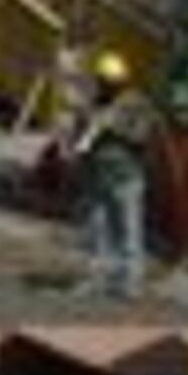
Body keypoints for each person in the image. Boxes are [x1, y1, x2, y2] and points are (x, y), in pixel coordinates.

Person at [70, 47, 161, 298]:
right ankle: (96, 279)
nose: (106, 87)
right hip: (97, 174)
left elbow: (142, 136)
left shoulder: (136, 104)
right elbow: (81, 136)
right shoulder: (95, 103)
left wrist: (114, 126)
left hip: (126, 176)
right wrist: (84, 126)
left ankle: (130, 282)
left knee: (128, 228)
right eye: (103, 82)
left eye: (111, 83)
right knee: (96, 228)